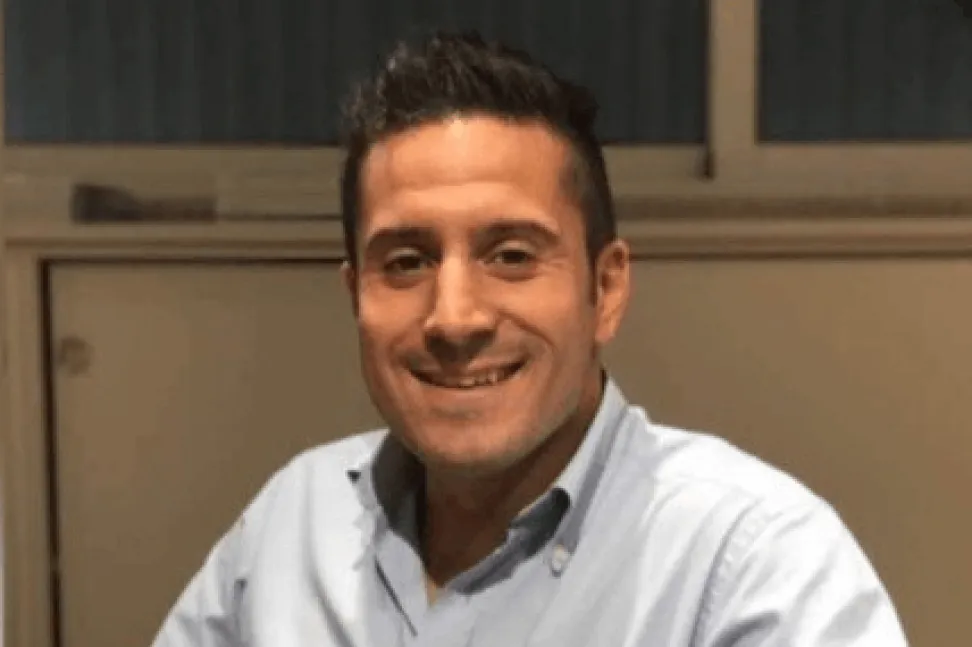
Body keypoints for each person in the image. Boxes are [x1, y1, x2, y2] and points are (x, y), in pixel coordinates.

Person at [152, 31, 909, 646]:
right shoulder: (294, 524)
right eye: (407, 261)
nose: (455, 318)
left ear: (605, 290)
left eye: (511, 255)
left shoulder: (753, 562)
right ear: (356, 295)